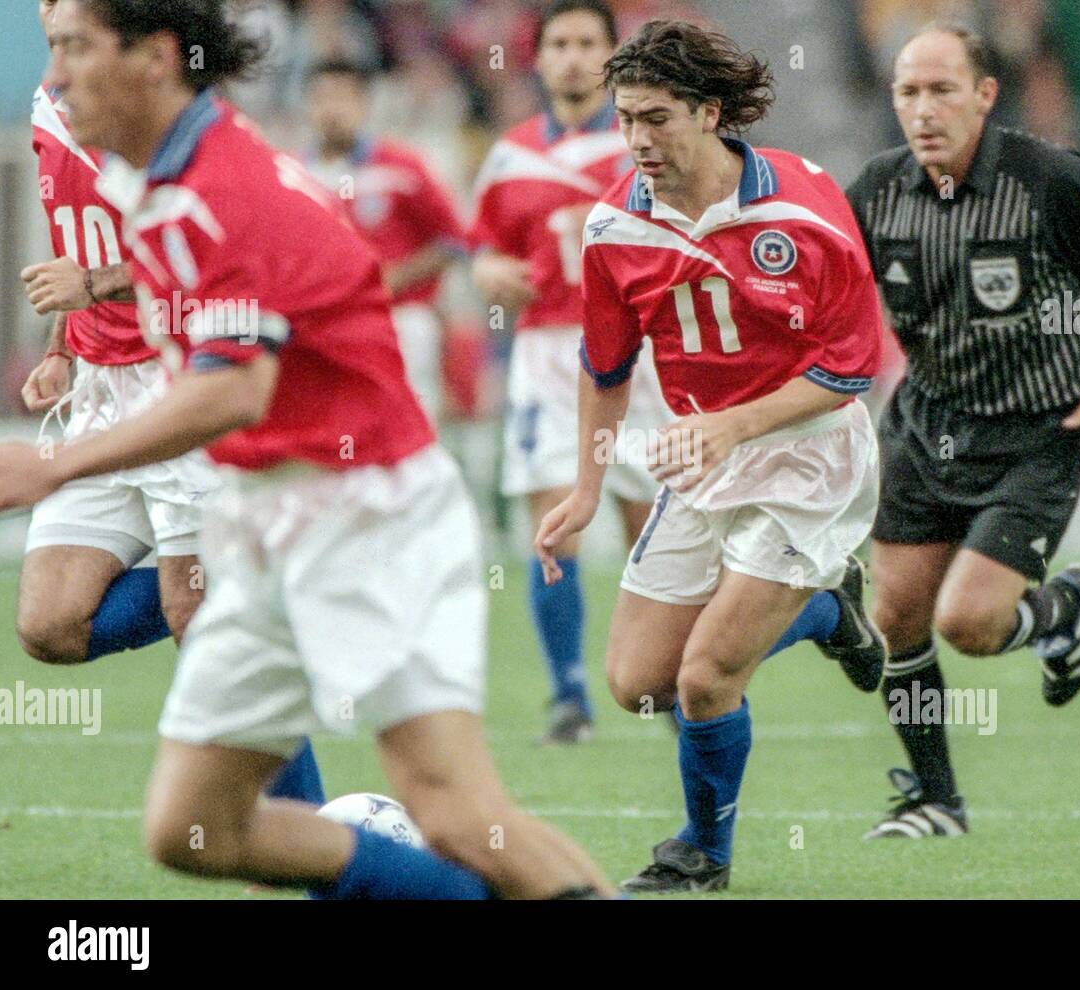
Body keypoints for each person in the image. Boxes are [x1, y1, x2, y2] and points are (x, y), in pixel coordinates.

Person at [1, 0, 613, 900]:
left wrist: (51, 465)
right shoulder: (157, 175)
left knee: (454, 813)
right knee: (193, 826)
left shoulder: (219, 190)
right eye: (53, 50)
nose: (55, 78)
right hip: (263, 514)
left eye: (77, 50)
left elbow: (233, 387)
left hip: (369, 508)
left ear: (157, 58)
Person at [535, 20, 886, 892]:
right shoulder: (615, 226)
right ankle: (830, 610)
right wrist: (585, 491)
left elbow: (851, 368)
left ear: (710, 112)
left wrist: (735, 424)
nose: (638, 140)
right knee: (637, 682)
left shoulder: (802, 205)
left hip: (809, 458)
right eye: (625, 120)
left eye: (656, 118)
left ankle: (702, 854)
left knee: (705, 678)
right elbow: (604, 366)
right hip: (705, 459)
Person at [845, 22, 1080, 838]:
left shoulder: (1052, 179)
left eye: (942, 90)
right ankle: (935, 800)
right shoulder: (875, 192)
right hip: (926, 422)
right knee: (896, 618)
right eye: (908, 93)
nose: (923, 110)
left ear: (986, 96)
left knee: (970, 625)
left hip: (1037, 428)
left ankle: (1059, 611)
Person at [21, 0, 323, 804]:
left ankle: (311, 829)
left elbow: (191, 237)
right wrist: (63, 342)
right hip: (98, 384)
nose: (58, 48)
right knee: (49, 628)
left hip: (177, 375)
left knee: (204, 627)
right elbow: (75, 227)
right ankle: (235, 583)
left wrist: (96, 283)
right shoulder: (53, 99)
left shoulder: (171, 118)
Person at [468, 0, 672, 743]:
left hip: (641, 353)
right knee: (553, 527)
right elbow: (483, 243)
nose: (573, 56)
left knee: (651, 527)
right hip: (550, 355)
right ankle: (569, 697)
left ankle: (671, 685)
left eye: (589, 42)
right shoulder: (511, 154)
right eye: (559, 42)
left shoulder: (643, 145)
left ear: (613, 56)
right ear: (538, 55)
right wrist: (489, 269)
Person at [304, 59, 467, 416]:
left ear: (364, 104)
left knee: (412, 427)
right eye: (322, 99)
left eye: (342, 98)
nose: (332, 110)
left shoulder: (401, 166)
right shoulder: (295, 175)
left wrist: (392, 279)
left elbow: (454, 241)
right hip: (327, 325)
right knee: (342, 432)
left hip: (401, 320)